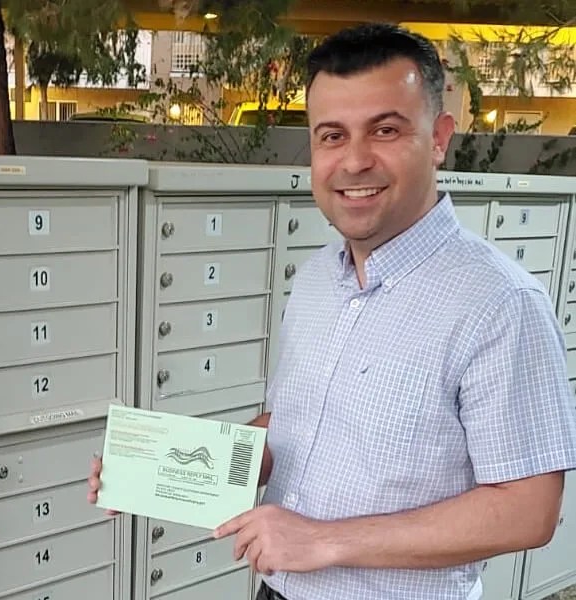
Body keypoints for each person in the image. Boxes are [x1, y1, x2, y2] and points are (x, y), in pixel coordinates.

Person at [88, 22, 576, 600]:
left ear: (440, 136)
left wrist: (325, 540)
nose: (354, 161)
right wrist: (162, 470)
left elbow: (527, 511)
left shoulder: (499, 304)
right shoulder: (320, 275)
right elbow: (294, 424)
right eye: (332, 136)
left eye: (386, 130)